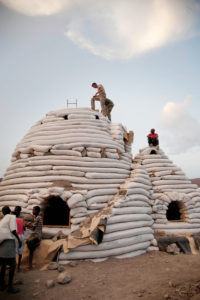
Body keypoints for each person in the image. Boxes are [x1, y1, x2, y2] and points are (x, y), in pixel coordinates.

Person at [0, 206, 22, 293]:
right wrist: (19, 240)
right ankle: (10, 288)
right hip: (8, 243)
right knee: (12, 265)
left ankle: (2, 285)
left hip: (1, 244)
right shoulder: (11, 217)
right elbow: (13, 230)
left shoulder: (2, 220)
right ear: (10, 211)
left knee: (3, 265)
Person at [13, 206, 25, 272]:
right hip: (21, 236)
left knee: (14, 252)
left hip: (15, 236)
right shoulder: (21, 220)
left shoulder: (13, 220)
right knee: (20, 252)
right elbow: (24, 229)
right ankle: (18, 267)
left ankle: (13, 266)